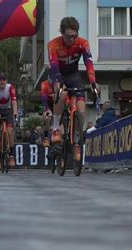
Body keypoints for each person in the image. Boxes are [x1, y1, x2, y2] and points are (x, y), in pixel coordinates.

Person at [47, 16, 98, 152]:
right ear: (62, 33)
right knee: (62, 94)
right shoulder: (53, 45)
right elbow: (54, 66)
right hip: (58, 75)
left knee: (81, 110)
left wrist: (92, 81)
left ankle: (76, 139)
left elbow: (89, 63)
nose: (72, 40)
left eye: (75, 36)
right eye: (69, 36)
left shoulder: (83, 43)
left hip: (74, 76)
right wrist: (58, 83)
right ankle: (56, 128)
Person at [0, 73, 18, 169]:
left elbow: (14, 101)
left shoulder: (10, 88)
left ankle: (11, 155)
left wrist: (15, 113)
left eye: (4, 80)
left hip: (8, 110)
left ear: (6, 81)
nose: (2, 82)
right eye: (0, 80)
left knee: (10, 132)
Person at [40, 79, 54, 147]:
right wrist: (47, 110)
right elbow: (44, 100)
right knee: (47, 117)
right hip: (48, 105)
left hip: (60, 104)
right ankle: (46, 137)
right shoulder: (44, 84)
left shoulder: (62, 81)